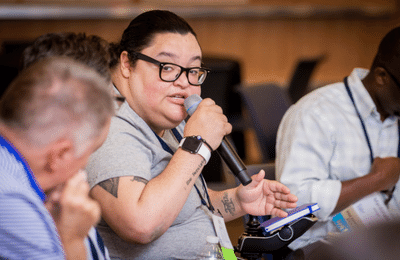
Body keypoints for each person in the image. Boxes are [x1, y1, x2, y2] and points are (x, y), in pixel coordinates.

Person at [86, 9, 298, 260]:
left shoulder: (160, 114)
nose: (185, 82)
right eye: (167, 67)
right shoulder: (110, 126)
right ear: (126, 63)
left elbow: (181, 200)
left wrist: (238, 201)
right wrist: (198, 143)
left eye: (194, 70)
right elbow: (140, 225)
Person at [276, 26, 400, 250]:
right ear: (382, 77)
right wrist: (378, 179)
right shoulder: (315, 113)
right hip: (323, 247)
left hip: (385, 242)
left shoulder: (394, 113)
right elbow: (293, 203)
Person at [0, 57, 114, 259]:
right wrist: (71, 239)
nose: (85, 166)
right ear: (60, 154)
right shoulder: (15, 205)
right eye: (90, 152)